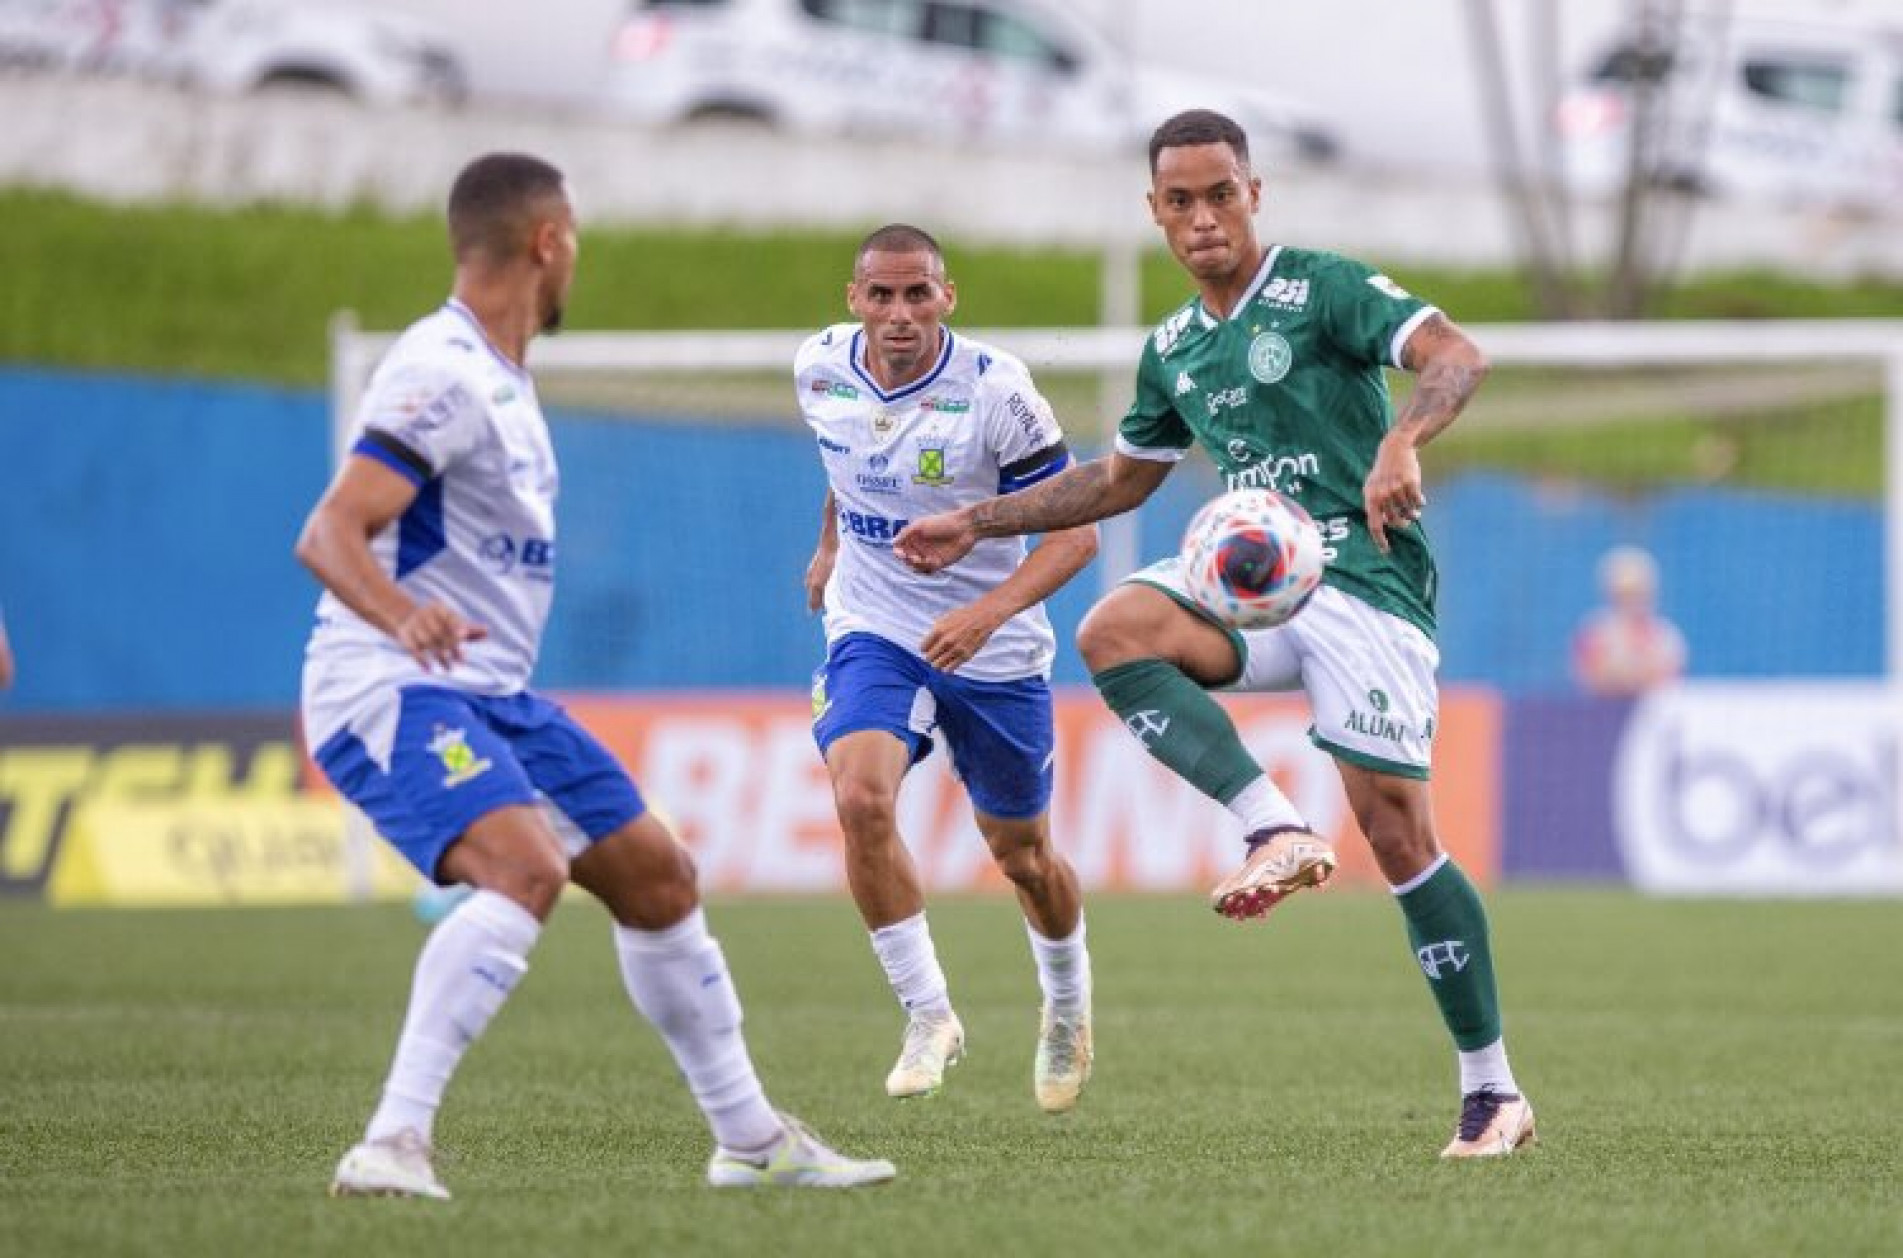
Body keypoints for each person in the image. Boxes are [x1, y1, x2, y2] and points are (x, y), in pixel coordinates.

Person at [896, 109, 1535, 1159]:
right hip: (1253, 586)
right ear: (1155, 213)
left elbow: (1455, 353)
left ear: (1254, 193)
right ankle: (1272, 826)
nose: (1202, 218)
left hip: (1365, 580)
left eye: (1220, 194)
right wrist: (977, 516)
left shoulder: (1321, 286)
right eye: (1180, 201)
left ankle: (1492, 1089)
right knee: (1116, 628)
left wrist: (1401, 438)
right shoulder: (1175, 349)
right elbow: (1115, 480)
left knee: (1397, 835)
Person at [296, 152, 894, 1198]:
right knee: (523, 871)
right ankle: (390, 1142)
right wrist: (403, 615)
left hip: (491, 694)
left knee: (656, 876)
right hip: (391, 687)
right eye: (573, 242)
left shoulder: (500, 374)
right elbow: (330, 531)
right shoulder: (440, 370)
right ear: (547, 243)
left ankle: (750, 1139)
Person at [798, 224, 1099, 1113]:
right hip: (875, 623)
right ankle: (929, 1013)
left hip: (994, 646)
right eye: (881, 296)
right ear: (853, 299)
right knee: (859, 796)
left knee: (1024, 855)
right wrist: (826, 551)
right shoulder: (816, 367)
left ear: (946, 297)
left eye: (916, 295)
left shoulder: (997, 391)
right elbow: (848, 465)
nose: (898, 314)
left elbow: (1076, 533)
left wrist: (985, 612)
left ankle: (1067, 1008)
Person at [1572, 544, 1686, 695]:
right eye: (1625, 594)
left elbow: (1669, 680)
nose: (1633, 601)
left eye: (1639, 592)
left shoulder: (1665, 636)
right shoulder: (1594, 633)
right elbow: (1590, 677)